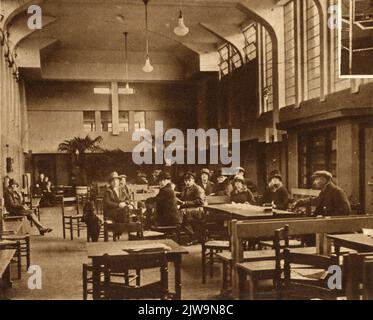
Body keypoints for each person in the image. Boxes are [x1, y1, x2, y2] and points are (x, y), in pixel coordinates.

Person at [178, 172, 206, 244]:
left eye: (189, 180)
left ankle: (193, 236)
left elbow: (200, 201)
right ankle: (192, 235)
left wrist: (185, 203)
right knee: (181, 213)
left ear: (193, 180)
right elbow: (182, 197)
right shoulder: (186, 189)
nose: (187, 182)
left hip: (199, 209)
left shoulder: (198, 188)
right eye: (186, 181)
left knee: (182, 213)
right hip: (190, 209)